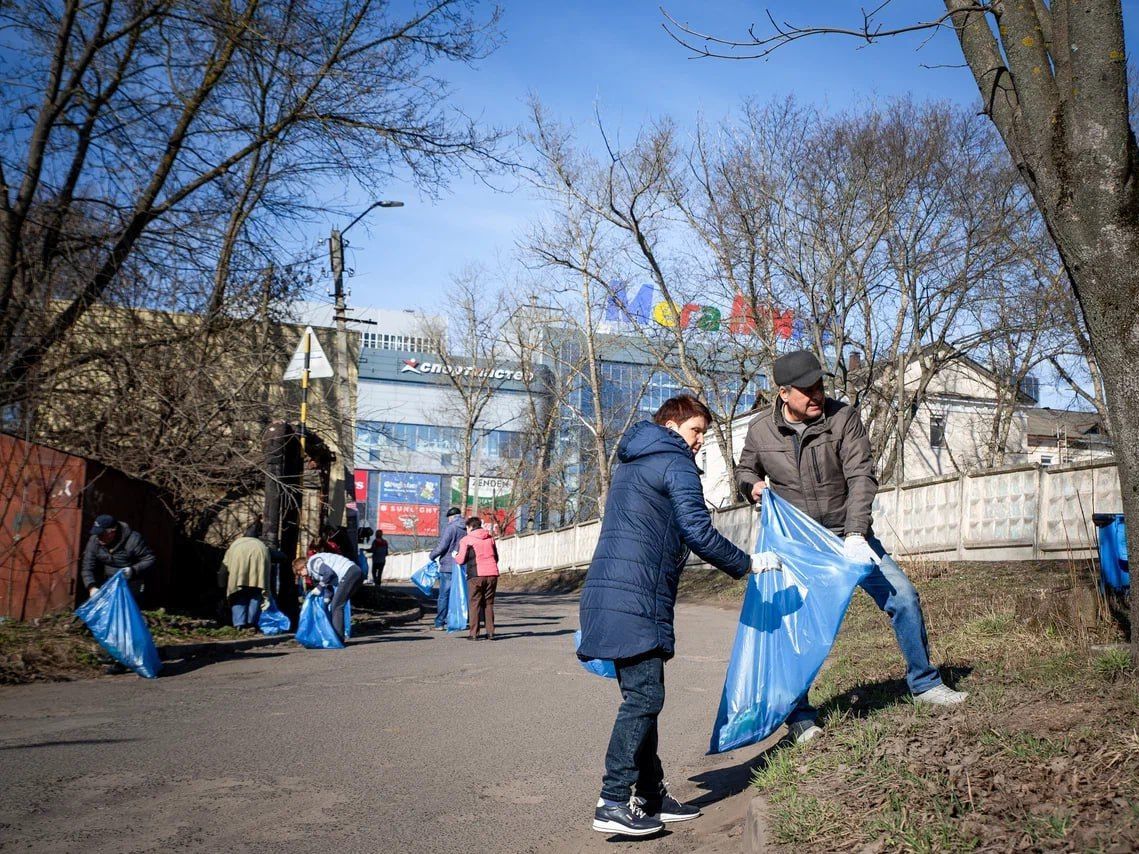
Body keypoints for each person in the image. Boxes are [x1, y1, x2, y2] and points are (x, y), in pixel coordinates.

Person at [735, 349, 967, 746]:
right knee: (794, 629)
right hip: (800, 545)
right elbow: (744, 470)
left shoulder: (843, 418)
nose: (817, 395)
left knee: (904, 598)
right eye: (807, 390)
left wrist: (857, 533)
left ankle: (925, 684)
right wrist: (751, 486)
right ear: (784, 392)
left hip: (849, 535)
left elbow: (861, 475)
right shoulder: (760, 431)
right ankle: (801, 717)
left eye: (820, 386)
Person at [578, 395, 779, 838]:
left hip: (608, 594)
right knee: (645, 698)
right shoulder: (675, 461)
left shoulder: (633, 461)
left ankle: (650, 795)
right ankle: (612, 799)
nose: (699, 441)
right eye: (696, 431)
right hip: (636, 598)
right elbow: (698, 530)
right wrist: (748, 563)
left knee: (640, 695)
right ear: (672, 424)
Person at [80, 514, 156, 601]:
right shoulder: (94, 540)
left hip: (131, 580)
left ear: (113, 531)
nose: (98, 537)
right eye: (97, 534)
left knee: (128, 607)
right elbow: (87, 567)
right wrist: (91, 587)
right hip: (108, 580)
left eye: (102, 534)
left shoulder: (133, 540)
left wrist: (133, 569)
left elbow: (150, 559)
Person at [294, 551, 364, 642]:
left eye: (300, 573)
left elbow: (329, 573)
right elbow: (329, 584)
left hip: (350, 572)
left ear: (302, 567)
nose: (302, 576)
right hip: (356, 573)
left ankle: (338, 638)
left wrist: (319, 587)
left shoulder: (313, 563)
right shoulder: (315, 573)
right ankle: (338, 635)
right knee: (336, 605)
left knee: (336, 606)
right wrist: (327, 599)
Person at [453, 516, 499, 641]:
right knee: (488, 603)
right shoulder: (490, 538)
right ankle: (490, 632)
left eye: (466, 527)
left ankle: (474, 633)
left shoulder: (466, 540)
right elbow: (496, 557)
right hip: (492, 574)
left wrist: (455, 556)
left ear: (470, 527)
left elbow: (461, 560)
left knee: (475, 603)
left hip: (476, 575)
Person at [220, 536, 271, 630]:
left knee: (238, 596)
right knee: (255, 597)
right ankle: (251, 623)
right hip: (257, 577)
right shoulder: (262, 545)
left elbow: (224, 566)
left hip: (238, 576)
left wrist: (221, 584)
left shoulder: (235, 544)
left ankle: (239, 624)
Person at [429, 507, 467, 630]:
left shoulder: (451, 528)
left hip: (448, 566)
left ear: (451, 517)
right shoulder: (467, 528)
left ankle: (440, 623)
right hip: (462, 566)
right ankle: (459, 621)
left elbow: (442, 546)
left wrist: (432, 555)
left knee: (444, 596)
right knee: (460, 595)